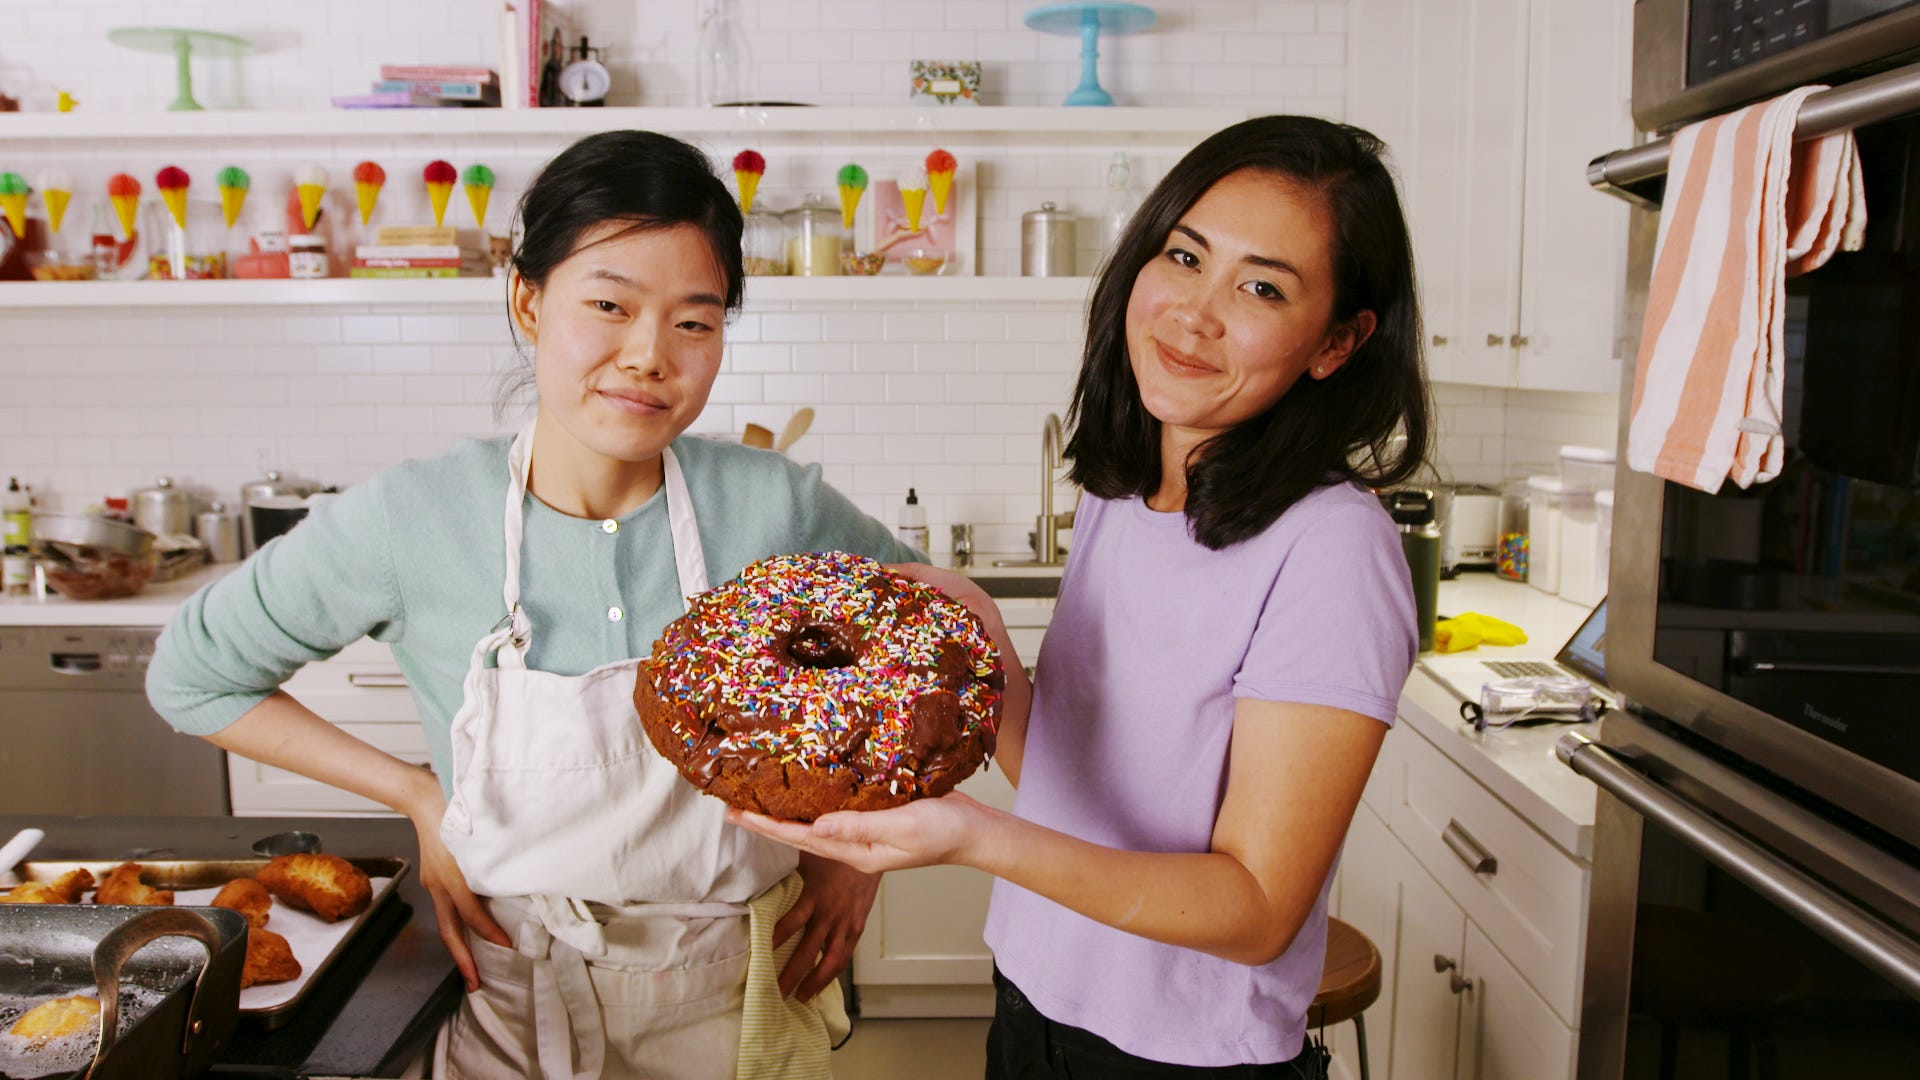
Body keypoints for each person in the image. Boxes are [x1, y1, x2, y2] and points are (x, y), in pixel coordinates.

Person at [147, 130, 918, 1080]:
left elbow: (936, 657)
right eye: (608, 304)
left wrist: (853, 857)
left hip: (744, 993)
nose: (649, 355)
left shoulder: (776, 506)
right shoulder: (413, 515)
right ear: (528, 300)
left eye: (694, 321)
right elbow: (194, 677)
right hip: (513, 996)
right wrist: (419, 795)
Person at [733, 114, 1431, 1078]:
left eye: (1261, 286)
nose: (1194, 312)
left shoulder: (1332, 545)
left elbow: (1259, 909)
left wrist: (973, 838)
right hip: (1034, 994)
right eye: (1184, 256)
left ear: (1336, 343)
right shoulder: (1128, 485)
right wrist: (976, 626)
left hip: (1182, 1056)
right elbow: (1074, 785)